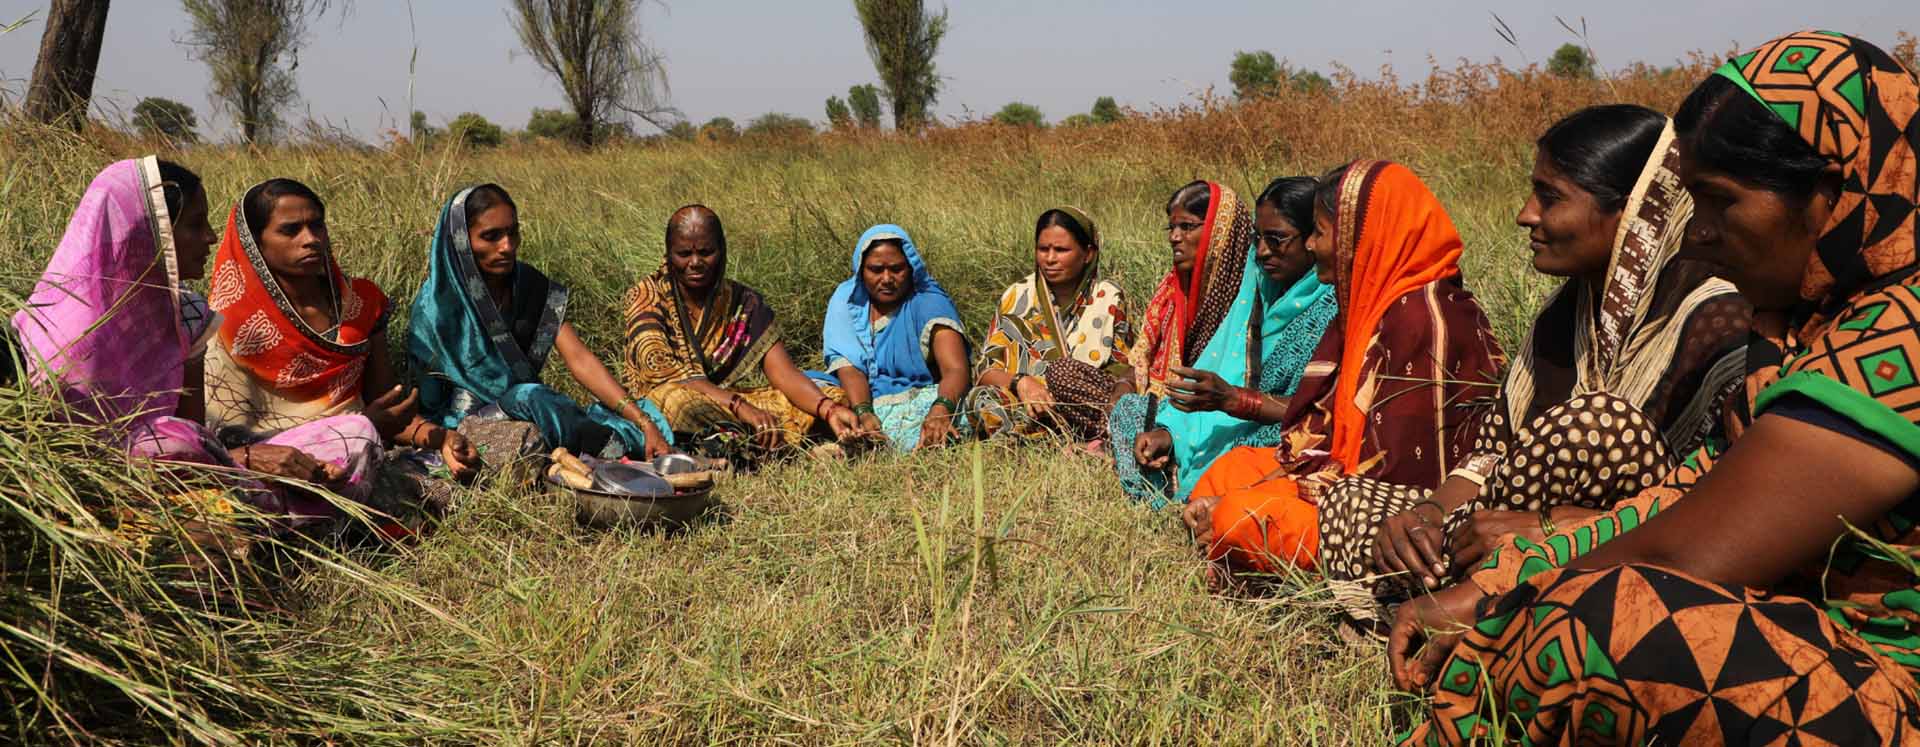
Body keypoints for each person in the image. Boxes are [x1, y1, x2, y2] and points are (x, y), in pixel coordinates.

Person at [1393, 32, 1920, 745]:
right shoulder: (1803, 329)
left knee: (1603, 619)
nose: (1695, 234)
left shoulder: (1903, 336)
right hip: (1818, 641)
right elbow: (1690, 493)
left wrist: (1505, 601)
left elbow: (1691, 554)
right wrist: (1507, 571)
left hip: (1897, 689)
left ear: (1831, 193)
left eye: (1719, 201)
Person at [1321, 106, 1752, 622]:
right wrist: (1427, 515)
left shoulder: (1714, 320)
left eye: (1550, 198)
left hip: (1647, 551)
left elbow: (1734, 504)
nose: (1525, 214)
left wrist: (1554, 527)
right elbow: (1491, 456)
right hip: (1508, 526)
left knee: (1595, 426)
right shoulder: (1564, 314)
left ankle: (1475, 606)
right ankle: (1463, 599)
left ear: (1634, 212)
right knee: (1348, 501)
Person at [13, 158, 381, 525]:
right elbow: (65, 461)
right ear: (148, 233)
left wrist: (249, 460)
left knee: (355, 434)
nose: (210, 236)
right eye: (194, 224)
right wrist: (248, 459)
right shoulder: (59, 334)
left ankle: (257, 519)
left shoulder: (187, 314)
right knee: (176, 443)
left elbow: (200, 437)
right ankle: (278, 519)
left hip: (207, 473)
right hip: (119, 488)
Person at [1182, 161, 1506, 573]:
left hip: (1384, 511)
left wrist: (1264, 492)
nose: (1314, 245)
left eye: (1319, 231)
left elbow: (1391, 479)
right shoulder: (1364, 305)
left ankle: (1236, 552)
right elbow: (1325, 435)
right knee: (1230, 469)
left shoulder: (1423, 319)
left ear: (1364, 236)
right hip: (1336, 475)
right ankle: (1233, 548)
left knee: (1238, 516)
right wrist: (1264, 482)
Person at [203, 178, 479, 487]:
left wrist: (438, 437)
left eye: (317, 226)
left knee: (514, 438)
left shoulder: (359, 304)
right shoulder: (227, 324)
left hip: (361, 447)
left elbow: (385, 411)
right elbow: (222, 444)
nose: (310, 239)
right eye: (290, 230)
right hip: (277, 469)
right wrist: (361, 427)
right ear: (254, 242)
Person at [1109, 179, 1337, 508]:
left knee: (1264, 452)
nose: (1261, 252)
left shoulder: (1332, 306)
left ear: (1314, 239)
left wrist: (1234, 400)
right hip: (1223, 421)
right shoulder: (1255, 288)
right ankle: (1181, 471)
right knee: (1131, 411)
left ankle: (1205, 491)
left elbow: (1323, 412)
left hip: (1282, 435)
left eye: (1277, 239)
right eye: (1257, 239)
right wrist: (1169, 434)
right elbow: (1216, 372)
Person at [408, 184, 672, 462]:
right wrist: (446, 438)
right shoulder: (436, 306)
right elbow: (427, 401)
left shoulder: (529, 285)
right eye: (491, 237)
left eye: (513, 233)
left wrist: (643, 421)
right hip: (461, 426)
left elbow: (579, 358)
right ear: (460, 239)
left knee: (644, 411)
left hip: (527, 409)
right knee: (532, 398)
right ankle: (617, 449)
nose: (507, 246)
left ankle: (636, 440)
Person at [622, 205, 862, 459]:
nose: (695, 263)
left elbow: (783, 373)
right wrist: (740, 406)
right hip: (666, 402)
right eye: (683, 254)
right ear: (669, 254)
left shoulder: (742, 303)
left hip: (722, 402)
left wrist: (828, 409)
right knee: (680, 404)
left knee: (828, 394)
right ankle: (759, 448)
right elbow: (669, 377)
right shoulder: (646, 297)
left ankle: (750, 445)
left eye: (706, 252)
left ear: (722, 251)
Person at [966, 207, 1134, 443]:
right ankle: (1035, 438)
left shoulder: (1108, 297)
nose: (1050, 259)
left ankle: (1081, 434)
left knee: (1068, 376)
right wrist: (1021, 382)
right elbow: (985, 370)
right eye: (1043, 249)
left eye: (1061, 250)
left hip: (1082, 404)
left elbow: (1124, 368)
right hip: (1028, 403)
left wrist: (1068, 383)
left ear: (1088, 253)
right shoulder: (1017, 296)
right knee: (981, 398)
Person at [809, 224, 972, 451]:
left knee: (974, 406)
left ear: (910, 267)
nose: (887, 278)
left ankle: (855, 445)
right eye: (876, 270)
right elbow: (850, 367)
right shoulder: (846, 300)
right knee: (808, 389)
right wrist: (864, 411)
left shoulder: (928, 302)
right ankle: (857, 436)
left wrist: (941, 408)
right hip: (857, 399)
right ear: (861, 270)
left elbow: (956, 369)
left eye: (896, 269)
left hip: (917, 399)